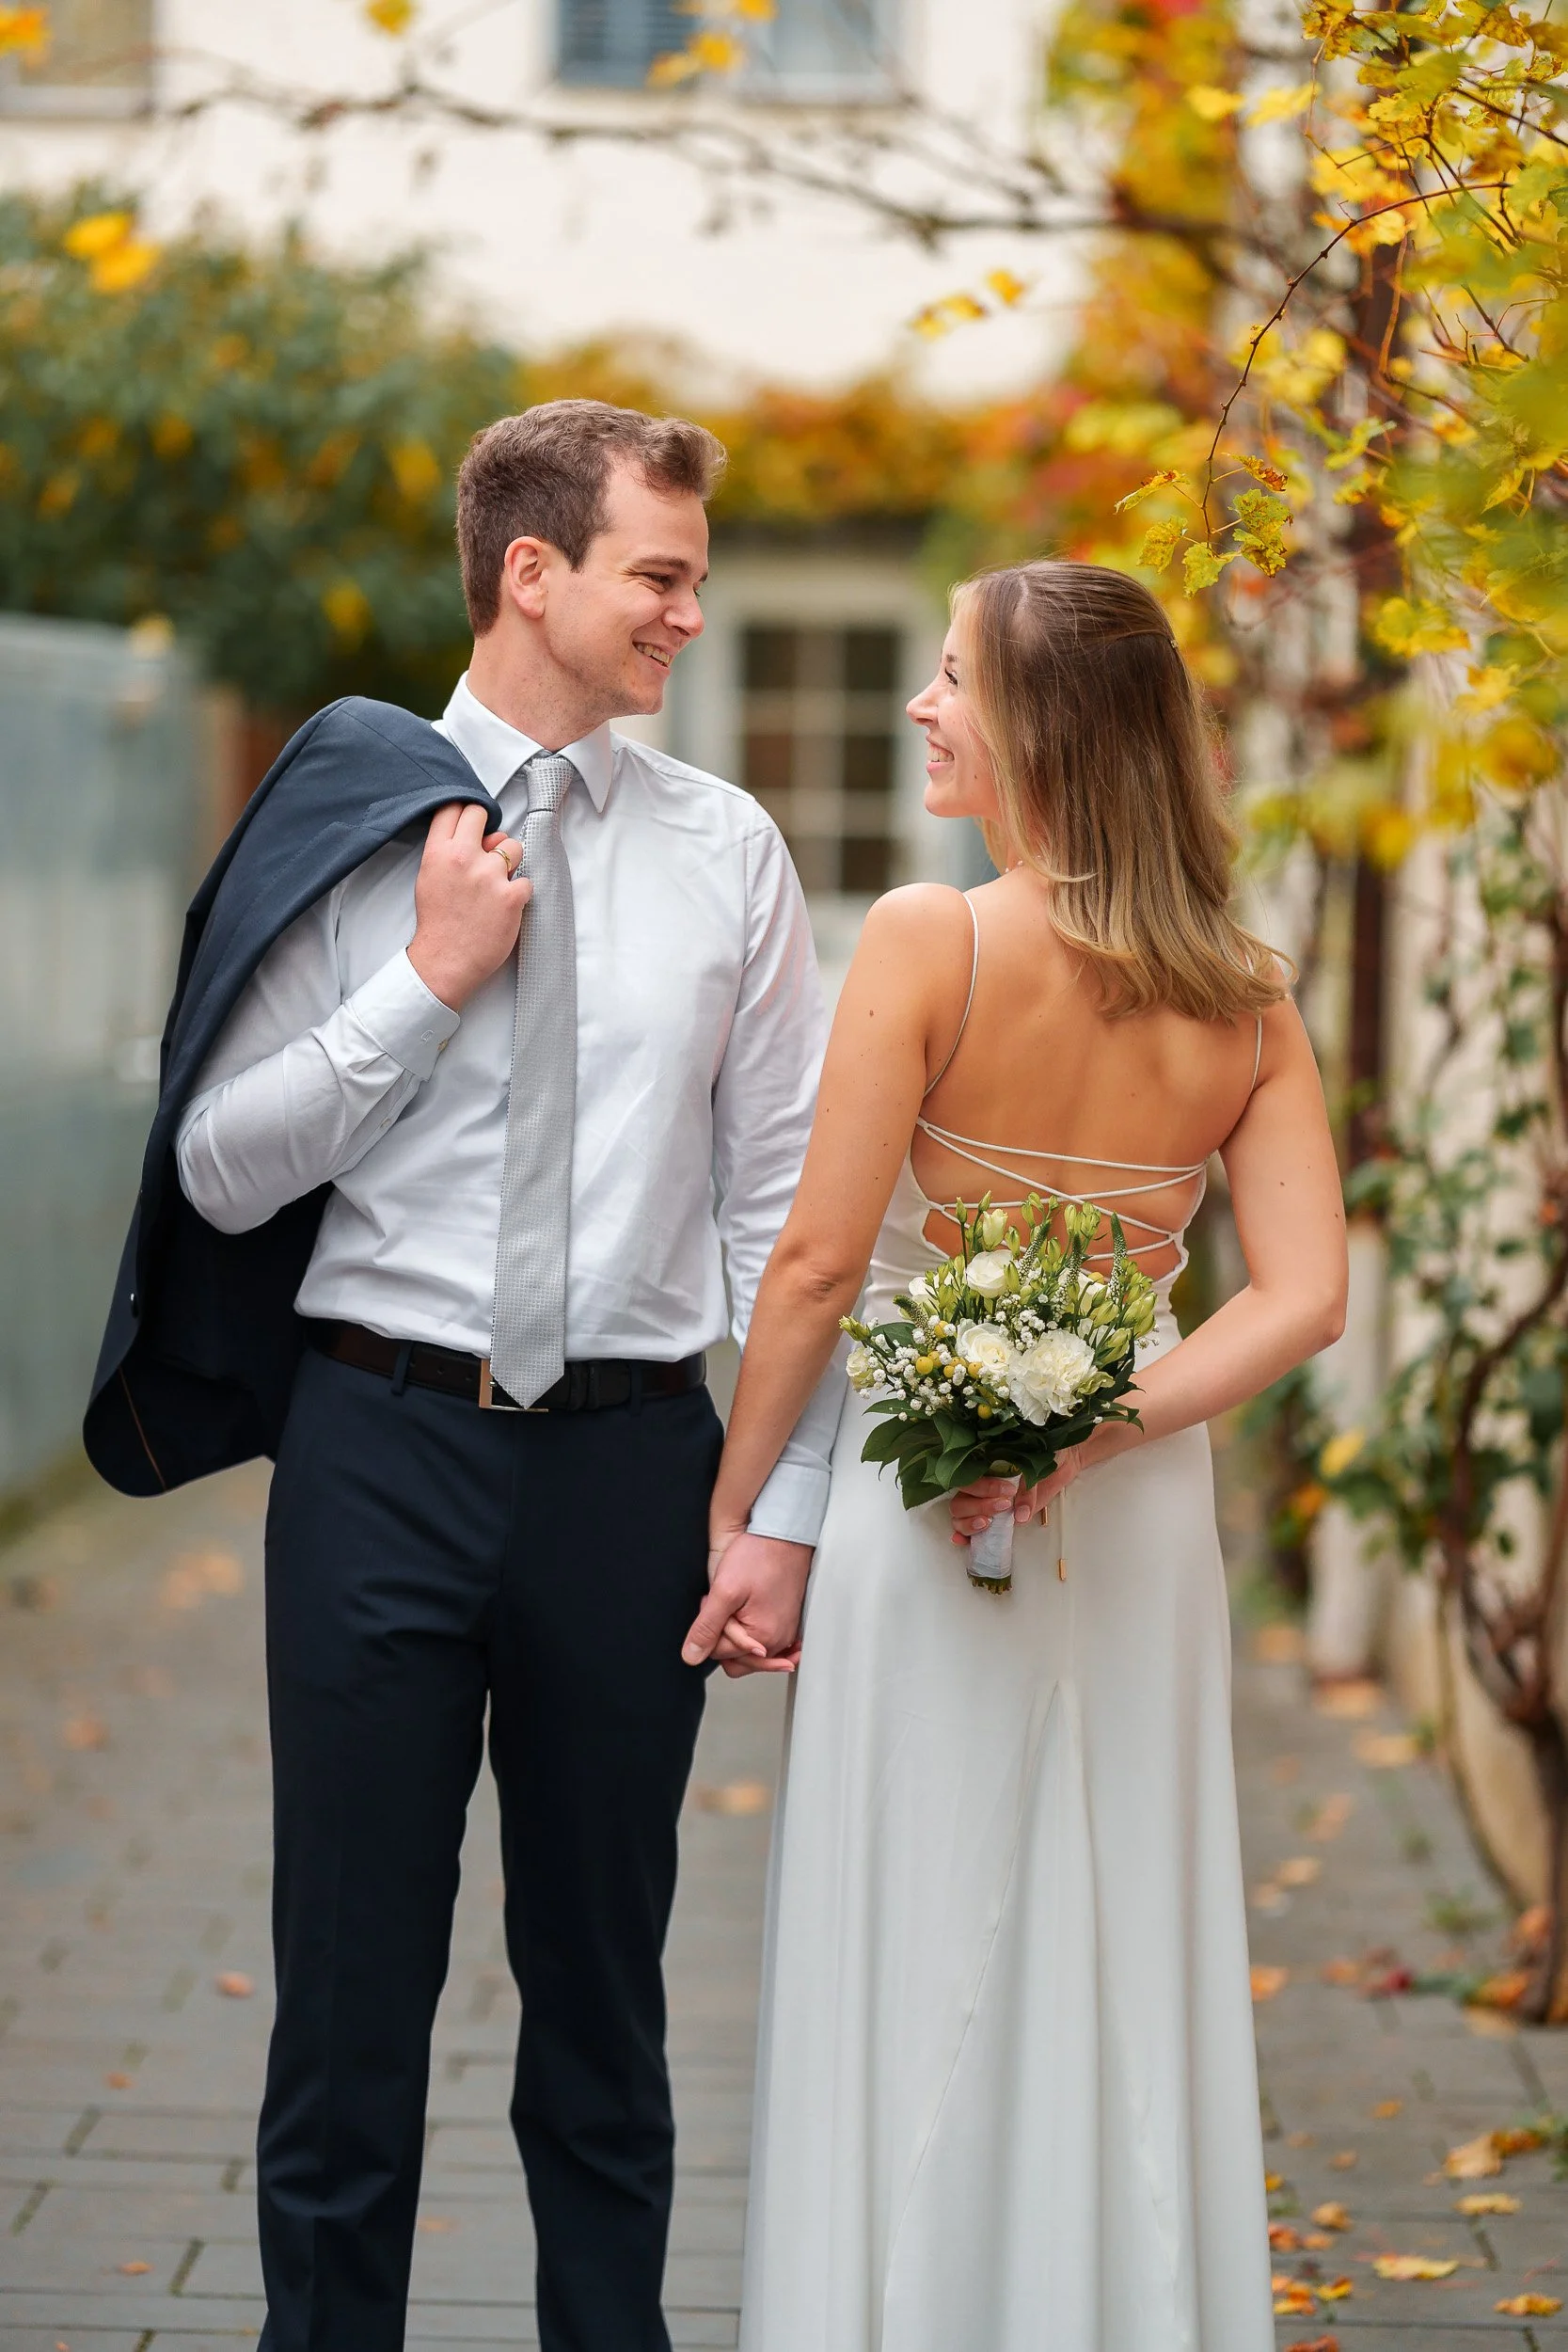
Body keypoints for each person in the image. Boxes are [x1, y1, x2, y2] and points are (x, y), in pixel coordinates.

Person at [86, 400, 837, 2352]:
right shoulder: (354, 814)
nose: (686, 608)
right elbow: (217, 1164)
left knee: (607, 1996)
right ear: (533, 572)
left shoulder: (725, 849)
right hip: (380, 1444)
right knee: (345, 1993)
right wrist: (422, 980)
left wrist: (782, 1506)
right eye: (656, 572)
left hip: (629, 1467)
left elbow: (783, 1204)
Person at [687, 559, 1349, 2351]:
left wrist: (743, 1502)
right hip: (1127, 1503)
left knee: (915, 1891)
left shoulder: (927, 934)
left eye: (951, 675)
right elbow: (1300, 1297)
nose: (921, 705)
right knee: (1123, 1887)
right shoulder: (1246, 987)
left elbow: (821, 1267)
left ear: (1037, 725)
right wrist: (1105, 1424)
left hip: (929, 1477)